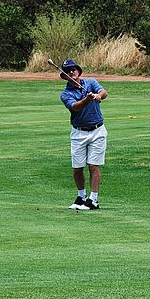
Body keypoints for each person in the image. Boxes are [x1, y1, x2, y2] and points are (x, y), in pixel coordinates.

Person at [58, 59, 108, 210]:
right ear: (65, 76)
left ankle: (93, 200)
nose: (72, 72)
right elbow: (76, 107)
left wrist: (99, 96)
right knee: (77, 168)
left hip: (97, 130)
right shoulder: (65, 94)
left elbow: (104, 92)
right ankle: (81, 197)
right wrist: (86, 99)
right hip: (79, 132)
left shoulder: (91, 82)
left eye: (73, 69)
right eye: (68, 71)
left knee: (93, 166)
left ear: (78, 71)